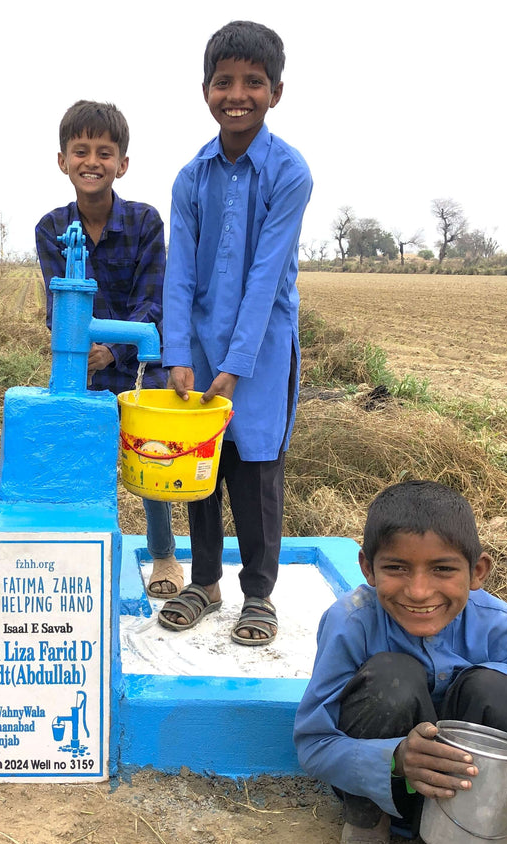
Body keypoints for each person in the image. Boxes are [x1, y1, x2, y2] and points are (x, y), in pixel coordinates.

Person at [294, 480, 507, 844]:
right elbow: (313, 744)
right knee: (391, 677)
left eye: (443, 569)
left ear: (477, 571)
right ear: (367, 568)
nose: (419, 591)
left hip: (477, 805)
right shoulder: (351, 622)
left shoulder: (505, 627)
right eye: (396, 568)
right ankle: (368, 833)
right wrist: (393, 759)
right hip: (386, 792)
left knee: (502, 688)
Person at [159, 21, 312, 644]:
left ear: (276, 91)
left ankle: (258, 594)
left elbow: (265, 276)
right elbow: (179, 274)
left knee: (255, 472)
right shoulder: (190, 178)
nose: (238, 94)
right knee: (201, 471)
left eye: (253, 82)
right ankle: (204, 582)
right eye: (225, 82)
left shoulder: (290, 173)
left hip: (263, 352)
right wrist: (177, 353)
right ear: (205, 90)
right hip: (197, 348)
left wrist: (238, 363)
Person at [36, 99, 182, 599]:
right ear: (63, 161)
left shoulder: (145, 223)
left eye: (104, 151)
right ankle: (77, 556)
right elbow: (60, 305)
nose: (91, 161)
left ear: (122, 163)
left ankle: (163, 555)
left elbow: (151, 302)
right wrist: (82, 347)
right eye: (81, 151)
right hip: (82, 369)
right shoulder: (52, 228)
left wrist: (113, 351)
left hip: (139, 364)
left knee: (150, 466)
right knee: (81, 461)